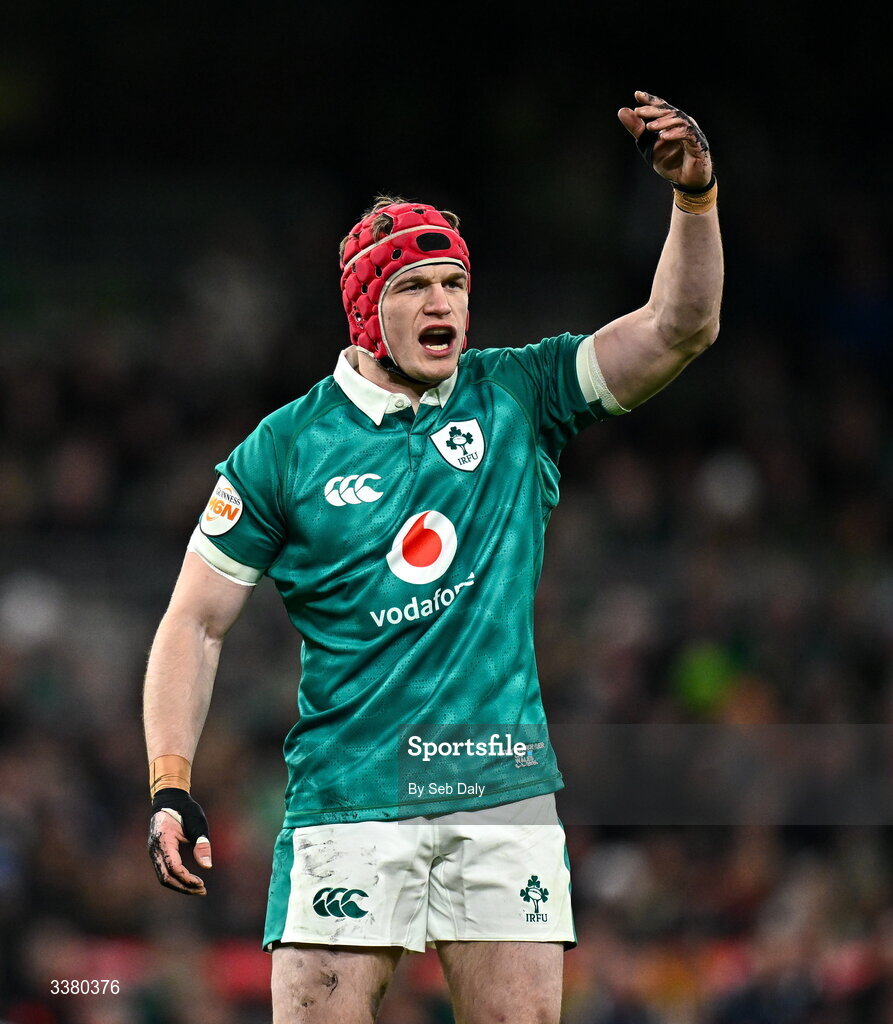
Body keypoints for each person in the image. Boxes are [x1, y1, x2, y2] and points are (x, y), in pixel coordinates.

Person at [143, 90, 723, 1024]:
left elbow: (678, 328)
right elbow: (194, 622)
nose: (443, 302)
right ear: (367, 309)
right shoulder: (282, 450)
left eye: (453, 282)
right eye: (415, 287)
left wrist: (695, 199)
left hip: (502, 790)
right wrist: (171, 785)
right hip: (350, 799)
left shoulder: (520, 393)